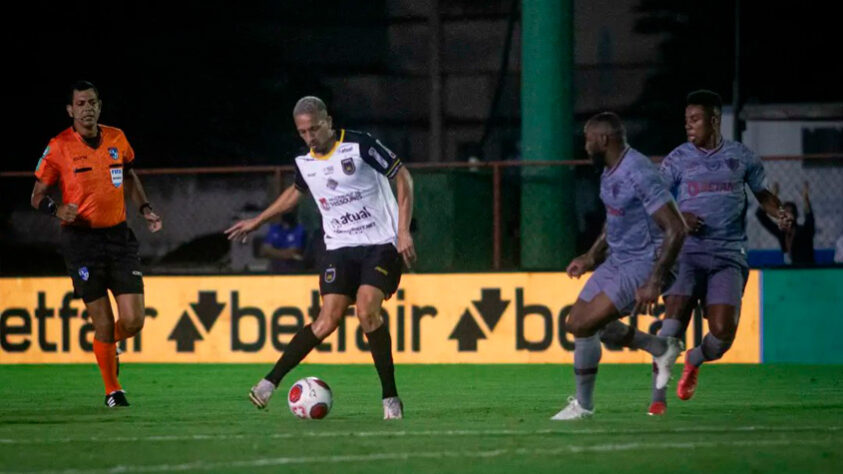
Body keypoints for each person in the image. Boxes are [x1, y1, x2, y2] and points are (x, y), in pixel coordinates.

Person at [225, 96, 416, 419]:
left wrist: (403, 230)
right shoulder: (305, 163)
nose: (310, 137)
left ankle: (390, 398)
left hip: (379, 242)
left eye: (314, 128)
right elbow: (294, 194)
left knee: (368, 311)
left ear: (328, 120)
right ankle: (270, 382)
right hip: (339, 247)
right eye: (303, 132)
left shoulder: (360, 145)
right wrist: (258, 221)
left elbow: (403, 177)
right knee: (327, 320)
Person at [653, 90, 792, 414]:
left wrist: (780, 212)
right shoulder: (677, 159)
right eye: (686, 120)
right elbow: (655, 200)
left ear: (714, 120)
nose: (689, 126)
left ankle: (695, 359)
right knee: (671, 327)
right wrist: (680, 217)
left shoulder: (741, 157)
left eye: (695, 119)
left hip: (728, 255)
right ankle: (657, 399)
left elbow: (763, 194)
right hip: (685, 253)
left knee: (722, 335)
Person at [31, 81, 162, 407]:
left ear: (99, 106)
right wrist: (57, 209)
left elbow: (129, 176)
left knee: (133, 321)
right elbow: (36, 196)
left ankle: (105, 345)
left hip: (118, 237)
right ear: (70, 110)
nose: (87, 108)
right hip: (81, 242)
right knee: (102, 320)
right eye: (80, 103)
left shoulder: (117, 138)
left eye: (92, 102)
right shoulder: (59, 146)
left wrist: (145, 208)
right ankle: (112, 391)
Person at [552, 112, 686, 420]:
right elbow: (614, 220)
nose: (585, 146)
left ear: (603, 139)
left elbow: (676, 228)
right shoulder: (609, 171)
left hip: (645, 262)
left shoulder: (638, 171)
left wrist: (655, 280)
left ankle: (584, 407)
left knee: (586, 325)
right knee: (576, 322)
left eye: (588, 140)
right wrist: (591, 256)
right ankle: (659, 347)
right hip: (618, 260)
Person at [756, 181, 815, 265]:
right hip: (789, 272)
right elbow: (760, 215)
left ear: (795, 216)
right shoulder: (782, 233)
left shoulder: (803, 232)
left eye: (790, 213)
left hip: (806, 270)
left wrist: (805, 198)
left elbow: (809, 219)